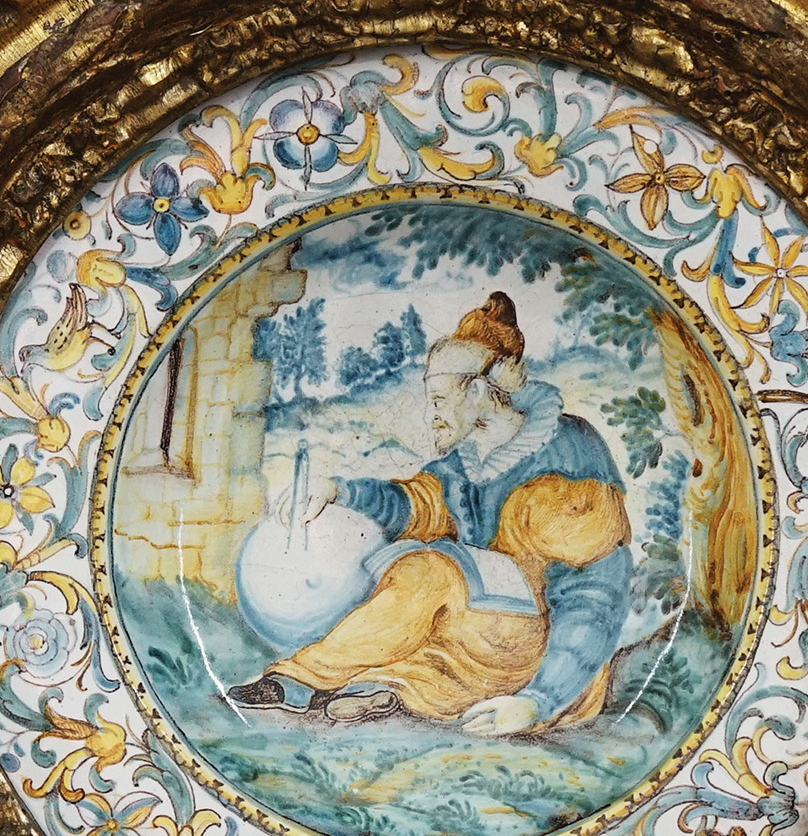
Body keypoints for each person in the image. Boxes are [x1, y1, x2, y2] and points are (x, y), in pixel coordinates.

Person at [227, 293, 632, 736]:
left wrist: (539, 700)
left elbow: (595, 594)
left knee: (428, 571)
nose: (431, 414)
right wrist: (340, 491)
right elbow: (417, 505)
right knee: (419, 601)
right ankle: (375, 688)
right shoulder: (465, 460)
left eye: (439, 399)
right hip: (471, 638)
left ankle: (303, 677)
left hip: (541, 654)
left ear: (477, 391)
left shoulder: (566, 451)